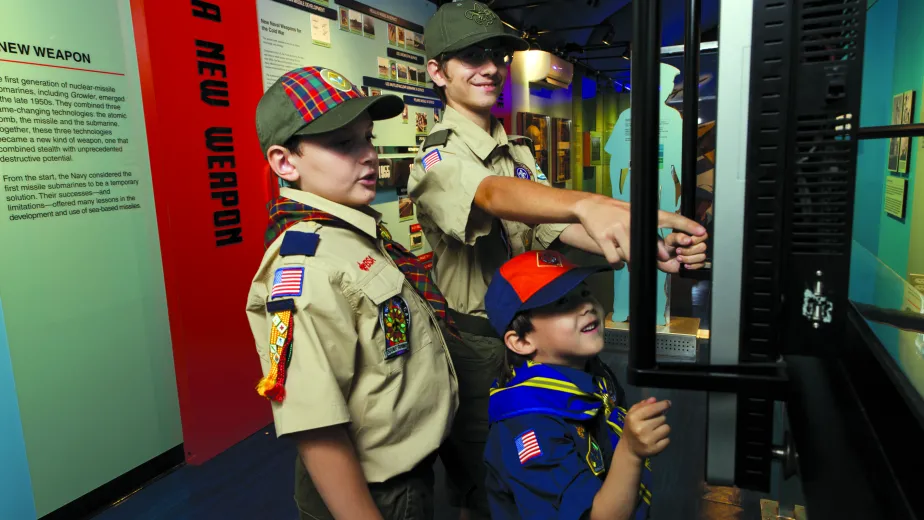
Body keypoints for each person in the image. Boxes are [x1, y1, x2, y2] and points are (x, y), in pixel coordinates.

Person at [409, 1, 706, 516]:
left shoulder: (515, 148)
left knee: (568, 460)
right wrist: (586, 201)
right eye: (469, 57)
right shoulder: (437, 156)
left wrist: (648, 243)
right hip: (482, 346)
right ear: (437, 72)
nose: (489, 68)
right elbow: (493, 196)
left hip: (542, 335)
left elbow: (554, 224)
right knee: (490, 481)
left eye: (496, 55)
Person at [246, 66, 458, 520]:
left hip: (408, 475)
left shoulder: (349, 235)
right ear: (286, 162)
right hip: (375, 494)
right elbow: (315, 425)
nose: (368, 156)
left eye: (367, 137)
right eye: (344, 144)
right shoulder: (307, 268)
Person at [482, 250, 670, 520]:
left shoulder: (593, 370)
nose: (586, 306)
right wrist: (630, 450)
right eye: (561, 303)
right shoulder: (529, 426)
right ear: (521, 341)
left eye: (584, 293)